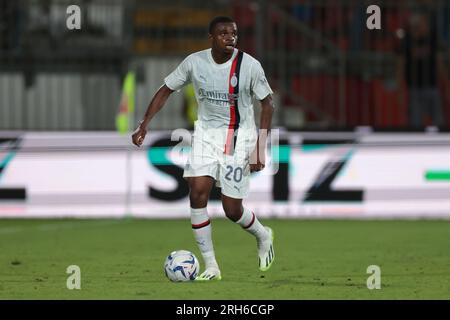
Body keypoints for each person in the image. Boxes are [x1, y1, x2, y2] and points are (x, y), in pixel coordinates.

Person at [132, 16, 275, 281]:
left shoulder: (250, 66)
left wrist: (260, 147)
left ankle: (263, 234)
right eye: (223, 33)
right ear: (211, 38)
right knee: (197, 193)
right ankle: (212, 266)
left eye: (233, 33)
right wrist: (144, 124)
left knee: (232, 210)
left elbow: (268, 104)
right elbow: (166, 89)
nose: (229, 37)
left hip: (239, 139)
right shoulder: (194, 63)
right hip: (206, 136)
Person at [396, 11, 450, 127]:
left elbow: (439, 63)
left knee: (439, 123)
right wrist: (400, 88)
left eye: (421, 25)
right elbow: (400, 65)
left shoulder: (432, 39)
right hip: (414, 88)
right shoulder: (407, 41)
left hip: (432, 87)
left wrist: (446, 84)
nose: (419, 28)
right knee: (416, 124)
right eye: (416, 26)